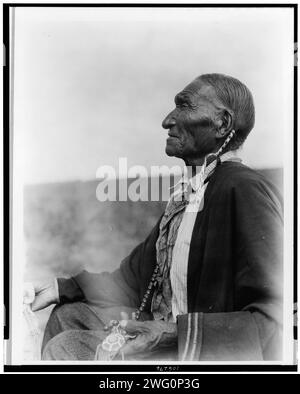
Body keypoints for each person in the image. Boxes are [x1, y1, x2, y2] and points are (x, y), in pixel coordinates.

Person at [32, 73, 283, 361]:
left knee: (67, 347)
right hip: (171, 333)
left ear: (222, 124)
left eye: (184, 106)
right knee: (69, 316)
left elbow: (275, 317)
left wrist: (172, 336)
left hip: (203, 353)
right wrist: (59, 288)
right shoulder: (189, 194)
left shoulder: (243, 188)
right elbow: (131, 281)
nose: (167, 120)